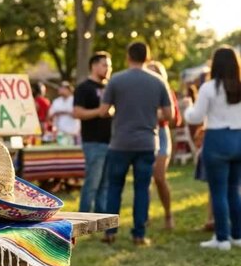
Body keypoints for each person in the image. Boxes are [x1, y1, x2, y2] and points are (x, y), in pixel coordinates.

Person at [97, 42, 174, 246]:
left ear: (128, 56)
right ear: (147, 58)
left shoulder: (116, 79)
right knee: (142, 188)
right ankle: (139, 234)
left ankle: (109, 232)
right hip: (147, 143)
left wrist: (119, 110)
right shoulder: (158, 81)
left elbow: (104, 111)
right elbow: (170, 115)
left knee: (114, 187)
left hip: (120, 142)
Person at [184, 46, 241, 250]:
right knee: (234, 190)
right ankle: (237, 235)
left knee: (218, 191)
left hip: (217, 139)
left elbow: (196, 117)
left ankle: (222, 238)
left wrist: (188, 109)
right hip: (239, 138)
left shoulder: (209, 88)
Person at [73, 51, 112, 215]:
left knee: (105, 184)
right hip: (93, 142)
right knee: (92, 183)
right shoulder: (84, 88)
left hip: (110, 141)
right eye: (104, 65)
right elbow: (77, 112)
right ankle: (84, 216)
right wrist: (99, 112)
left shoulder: (109, 87)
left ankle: (100, 217)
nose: (108, 69)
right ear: (94, 66)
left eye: (109, 66)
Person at [146, 61, 181, 230]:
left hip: (161, 133)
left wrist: (156, 113)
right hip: (144, 134)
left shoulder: (167, 92)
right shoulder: (141, 92)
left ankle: (168, 214)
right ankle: (143, 217)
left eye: (155, 72)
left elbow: (174, 119)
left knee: (159, 177)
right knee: (144, 178)